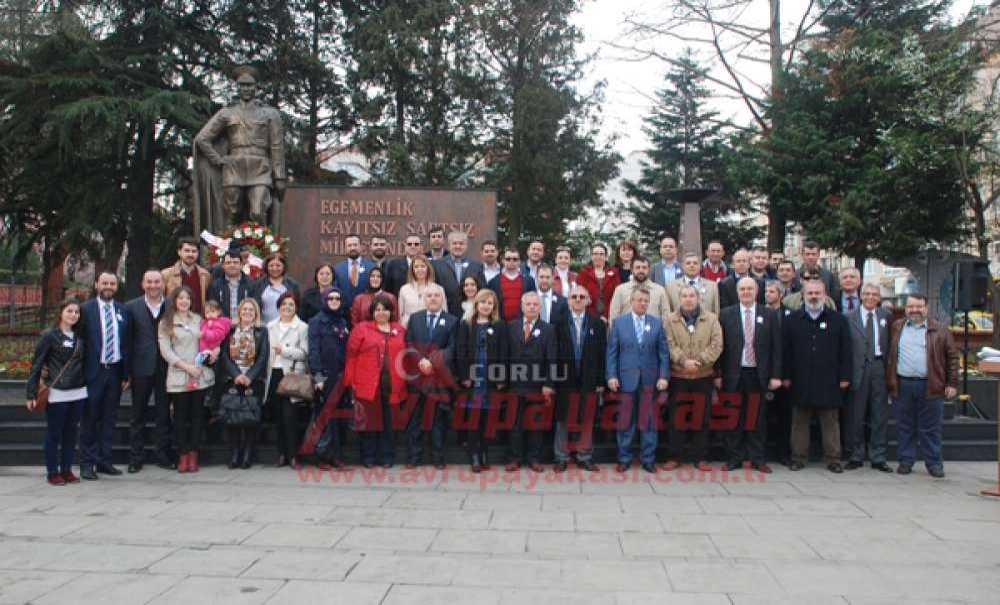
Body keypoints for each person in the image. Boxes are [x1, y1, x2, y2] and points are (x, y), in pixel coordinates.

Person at [886, 293, 959, 478]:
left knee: (931, 428)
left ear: (926, 308)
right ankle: (905, 461)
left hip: (931, 384)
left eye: (919, 306)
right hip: (903, 384)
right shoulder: (897, 327)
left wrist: (952, 383)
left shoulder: (940, 330)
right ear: (905, 308)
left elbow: (952, 358)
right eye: (911, 306)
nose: (914, 310)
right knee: (905, 426)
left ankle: (934, 463)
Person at [782, 279, 851, 473]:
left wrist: (845, 377)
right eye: (810, 293)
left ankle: (833, 459)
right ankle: (798, 457)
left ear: (825, 295)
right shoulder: (792, 320)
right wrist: (785, 376)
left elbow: (845, 351)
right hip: (800, 379)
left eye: (817, 293)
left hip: (829, 379)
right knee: (799, 422)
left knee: (830, 422)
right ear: (803, 295)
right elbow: (785, 351)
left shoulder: (838, 320)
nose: (813, 297)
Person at [717, 278, 782, 473]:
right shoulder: (726, 315)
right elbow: (720, 348)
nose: (746, 292)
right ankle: (734, 458)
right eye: (742, 289)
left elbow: (776, 348)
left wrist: (775, 375)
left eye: (750, 289)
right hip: (733, 374)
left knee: (757, 418)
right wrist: (718, 373)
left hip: (758, 374)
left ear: (757, 291)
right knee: (733, 418)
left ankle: (757, 458)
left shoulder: (768, 314)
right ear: (737, 292)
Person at [607, 288, 670, 474]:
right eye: (639, 300)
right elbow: (612, 352)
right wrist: (611, 375)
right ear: (631, 301)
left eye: (645, 300)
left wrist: (663, 376)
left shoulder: (657, 323)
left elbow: (663, 354)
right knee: (625, 421)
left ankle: (648, 459)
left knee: (649, 421)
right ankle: (624, 458)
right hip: (626, 379)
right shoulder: (619, 323)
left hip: (650, 381)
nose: (643, 303)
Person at [26, 299, 86, 486]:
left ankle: (66, 470)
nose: (73, 315)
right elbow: (36, 365)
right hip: (57, 392)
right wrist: (31, 393)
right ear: (61, 312)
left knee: (70, 433)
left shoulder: (80, 337)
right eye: (69, 311)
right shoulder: (49, 336)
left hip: (78, 391)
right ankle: (52, 472)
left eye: (76, 312)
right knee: (54, 433)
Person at [662, 284, 722, 472]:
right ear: (679, 299)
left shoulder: (711, 319)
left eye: (692, 296)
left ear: (698, 298)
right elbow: (668, 344)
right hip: (678, 375)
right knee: (676, 418)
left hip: (702, 375)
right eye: (685, 296)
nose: (688, 299)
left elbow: (717, 344)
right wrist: (682, 361)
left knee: (701, 418)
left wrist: (699, 361)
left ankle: (701, 457)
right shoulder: (670, 320)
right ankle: (674, 456)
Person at [79, 272, 132, 480]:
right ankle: (87, 463)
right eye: (104, 283)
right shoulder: (86, 310)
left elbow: (126, 343)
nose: (108, 286)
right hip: (93, 372)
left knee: (109, 419)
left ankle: (104, 461)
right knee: (90, 419)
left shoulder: (123, 310)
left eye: (112, 283)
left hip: (115, 372)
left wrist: (126, 373)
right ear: (96, 285)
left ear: (116, 286)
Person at [344, 295, 408, 468]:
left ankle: (387, 457)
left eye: (385, 309)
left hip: (393, 385)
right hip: (367, 385)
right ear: (372, 312)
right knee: (369, 423)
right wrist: (350, 382)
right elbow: (351, 357)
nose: (381, 312)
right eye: (378, 309)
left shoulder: (400, 330)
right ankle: (368, 457)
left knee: (389, 424)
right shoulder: (361, 329)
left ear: (390, 312)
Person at [158, 286, 215, 473]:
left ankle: (193, 454)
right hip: (179, 376)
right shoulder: (166, 323)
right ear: (174, 300)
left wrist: (213, 353)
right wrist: (185, 366)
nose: (184, 301)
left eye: (187, 298)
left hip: (199, 375)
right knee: (180, 418)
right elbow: (166, 351)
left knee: (197, 417)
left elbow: (210, 340)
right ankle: (182, 454)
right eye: (180, 298)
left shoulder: (199, 320)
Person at [404, 284, 458, 468]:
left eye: (437, 295)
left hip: (438, 378)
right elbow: (409, 343)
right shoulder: (415, 318)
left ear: (442, 298)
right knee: (415, 420)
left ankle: (438, 458)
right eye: (429, 296)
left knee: (438, 420)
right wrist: (421, 361)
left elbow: (452, 348)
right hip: (418, 377)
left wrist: (433, 362)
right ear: (424, 299)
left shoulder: (452, 321)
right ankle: (414, 458)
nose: (433, 298)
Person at [454, 288, 508, 472]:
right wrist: (464, 376)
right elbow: (460, 351)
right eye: (483, 302)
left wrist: (501, 378)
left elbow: (504, 352)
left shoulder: (499, 325)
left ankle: (484, 452)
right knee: (474, 418)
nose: (486, 306)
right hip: (473, 379)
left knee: (488, 418)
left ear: (494, 307)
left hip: (491, 379)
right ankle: (474, 455)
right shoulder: (466, 324)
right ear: (476, 304)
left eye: (490, 303)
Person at [125, 270, 173, 472]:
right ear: (143, 284)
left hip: (166, 366)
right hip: (140, 367)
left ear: (163, 284)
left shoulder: (172, 305)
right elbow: (127, 340)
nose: (153, 285)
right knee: (138, 414)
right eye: (149, 282)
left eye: (157, 281)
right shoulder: (131, 307)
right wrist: (126, 370)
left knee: (163, 414)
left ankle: (162, 455)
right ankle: (136, 457)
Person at [503, 292, 557, 472]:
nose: (532, 307)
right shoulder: (511, 327)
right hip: (515, 385)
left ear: (540, 307)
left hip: (537, 385)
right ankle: (514, 458)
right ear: (522, 306)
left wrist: (549, 383)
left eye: (535, 304)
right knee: (514, 424)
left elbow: (552, 359)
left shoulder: (548, 329)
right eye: (529, 304)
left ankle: (534, 458)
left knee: (535, 424)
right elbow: (505, 355)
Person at [553, 286, 605, 472]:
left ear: (588, 300)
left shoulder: (597, 324)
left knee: (587, 418)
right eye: (574, 296)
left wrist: (600, 381)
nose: (577, 299)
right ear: (568, 300)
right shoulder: (558, 323)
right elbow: (553, 354)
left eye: (581, 296)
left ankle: (584, 456)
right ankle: (561, 456)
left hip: (588, 380)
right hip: (564, 379)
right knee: (562, 419)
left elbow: (602, 354)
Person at [844, 283, 892, 472]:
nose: (871, 297)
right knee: (856, 414)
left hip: (879, 367)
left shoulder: (886, 317)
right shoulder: (849, 318)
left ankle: (878, 456)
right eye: (867, 294)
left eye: (874, 294)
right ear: (860, 296)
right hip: (858, 369)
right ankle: (856, 455)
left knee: (879, 414)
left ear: (879, 298)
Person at [220, 298, 270, 469]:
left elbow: (263, 356)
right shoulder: (230, 330)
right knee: (233, 416)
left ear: (255, 313)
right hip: (233, 379)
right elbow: (224, 355)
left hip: (253, 380)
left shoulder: (261, 332)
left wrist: (250, 376)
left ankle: (248, 453)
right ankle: (235, 453)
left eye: (251, 310)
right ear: (239, 312)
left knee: (250, 418)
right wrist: (236, 375)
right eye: (244, 310)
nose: (247, 312)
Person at [264, 292, 310, 467]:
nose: (287, 308)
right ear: (278, 307)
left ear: (296, 307)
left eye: (291, 304)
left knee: (290, 417)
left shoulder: (302, 327)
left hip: (291, 375)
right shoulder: (270, 326)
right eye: (284, 304)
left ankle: (293, 455)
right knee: (278, 418)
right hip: (273, 374)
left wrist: (284, 350)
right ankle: (281, 454)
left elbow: (305, 353)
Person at [308, 287, 350, 468]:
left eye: (337, 298)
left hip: (341, 376)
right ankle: (321, 456)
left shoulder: (342, 320)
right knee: (324, 418)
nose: (334, 301)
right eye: (330, 298)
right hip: (325, 377)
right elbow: (313, 350)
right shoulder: (316, 321)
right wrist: (317, 376)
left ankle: (335, 455)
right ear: (324, 300)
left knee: (338, 418)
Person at [433, 230, 485, 317]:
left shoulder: (476, 266)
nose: (458, 246)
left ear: (466, 246)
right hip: (445, 312)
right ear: (449, 246)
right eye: (454, 243)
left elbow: (482, 290)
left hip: (471, 314)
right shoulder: (437, 265)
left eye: (461, 243)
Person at [609, 257, 670, 325]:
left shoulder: (659, 290)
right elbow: (614, 316)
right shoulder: (620, 290)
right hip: (627, 333)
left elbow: (666, 316)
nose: (641, 270)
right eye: (638, 267)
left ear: (649, 269)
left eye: (644, 267)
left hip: (653, 333)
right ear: (632, 270)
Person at [161, 237, 211, 315]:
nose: (190, 254)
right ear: (179, 252)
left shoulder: (205, 275)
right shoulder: (166, 274)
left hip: (199, 321)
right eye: (187, 251)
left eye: (194, 251)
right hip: (174, 320)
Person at [488, 248, 535, 321]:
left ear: (519, 261)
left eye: (515, 259)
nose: (511, 261)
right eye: (508, 259)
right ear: (503, 261)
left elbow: (533, 303)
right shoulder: (494, 282)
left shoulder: (529, 281)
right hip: (500, 323)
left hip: (522, 324)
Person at [577, 243, 621, 321]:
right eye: (595, 254)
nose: (598, 256)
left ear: (606, 256)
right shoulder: (583, 274)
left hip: (610, 316)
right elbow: (581, 297)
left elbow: (616, 297)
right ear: (591, 256)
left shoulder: (614, 273)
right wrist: (595, 317)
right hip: (589, 317)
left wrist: (606, 315)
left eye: (601, 254)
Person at [252, 253, 300, 325]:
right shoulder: (258, 284)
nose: (275, 268)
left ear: (283, 266)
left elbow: (297, 307)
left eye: (278, 265)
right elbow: (254, 306)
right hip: (264, 327)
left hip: (287, 327)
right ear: (266, 267)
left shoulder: (292, 285)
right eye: (271, 266)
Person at [192, 300, 230, 388]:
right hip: (203, 349)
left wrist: (205, 334)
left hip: (210, 349)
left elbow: (218, 335)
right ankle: (198, 381)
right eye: (207, 312)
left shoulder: (220, 323)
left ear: (219, 312)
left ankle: (196, 381)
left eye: (213, 311)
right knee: (198, 364)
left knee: (197, 363)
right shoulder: (205, 322)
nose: (210, 314)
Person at [207, 249, 254, 320]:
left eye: (235, 262)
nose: (232, 265)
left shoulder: (251, 284)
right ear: (223, 265)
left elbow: (255, 307)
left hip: (246, 325)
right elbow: (212, 308)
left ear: (241, 265)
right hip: (222, 326)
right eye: (228, 263)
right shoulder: (215, 286)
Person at [334, 234, 375, 311]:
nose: (352, 248)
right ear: (345, 248)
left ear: (360, 247)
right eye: (349, 245)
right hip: (343, 312)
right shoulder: (337, 269)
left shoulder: (371, 267)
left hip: (366, 311)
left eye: (355, 245)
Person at [398, 256, 436, 325]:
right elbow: (400, 314)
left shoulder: (437, 288)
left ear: (428, 268)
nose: (419, 269)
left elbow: (443, 314)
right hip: (408, 329)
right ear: (412, 269)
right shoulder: (404, 289)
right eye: (416, 267)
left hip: (429, 329)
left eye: (423, 266)